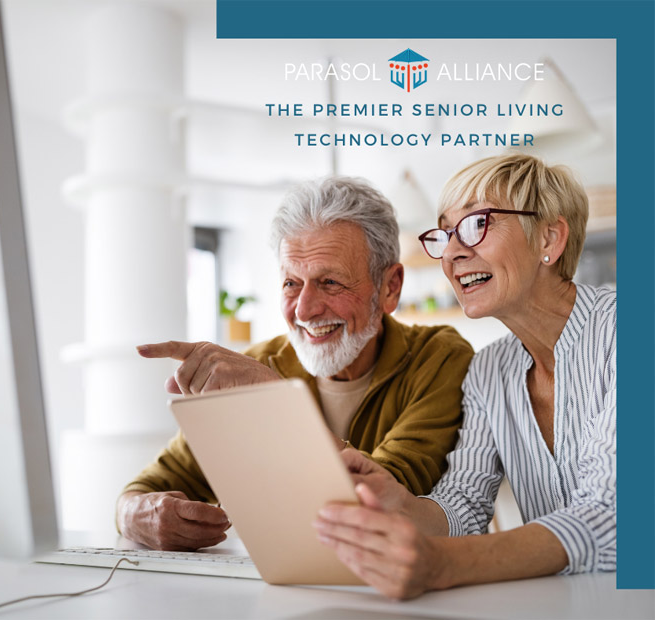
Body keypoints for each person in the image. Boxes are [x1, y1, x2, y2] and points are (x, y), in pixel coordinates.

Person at [314, 154, 616, 599]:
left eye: (477, 225)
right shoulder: (489, 370)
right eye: (445, 234)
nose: (453, 253)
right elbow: (464, 504)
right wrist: (400, 502)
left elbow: (613, 513)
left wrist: (442, 565)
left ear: (549, 237)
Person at [117, 176, 474, 551]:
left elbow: (389, 494)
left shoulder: (439, 358)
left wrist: (274, 399)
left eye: (330, 282)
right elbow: (148, 487)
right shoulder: (256, 364)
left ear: (390, 288)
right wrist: (137, 516)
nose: (303, 310)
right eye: (291, 283)